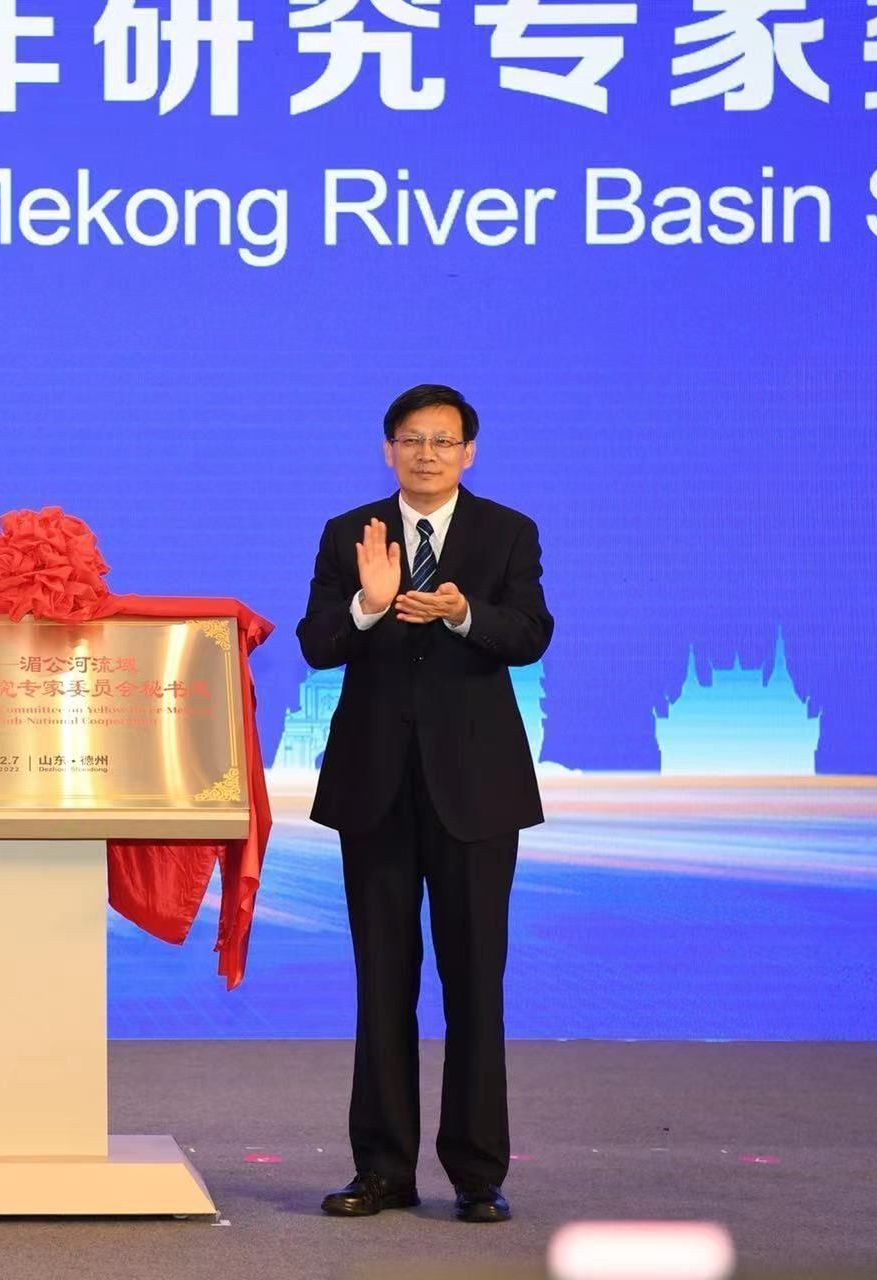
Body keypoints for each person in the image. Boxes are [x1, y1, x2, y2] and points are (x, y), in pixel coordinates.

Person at [296, 384, 553, 1224]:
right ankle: (382, 1170)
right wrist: (369, 606)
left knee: (475, 982)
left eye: (443, 441)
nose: (427, 454)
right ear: (388, 450)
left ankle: (477, 1173)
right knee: (383, 983)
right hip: (376, 788)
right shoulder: (351, 532)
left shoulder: (506, 532)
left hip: (477, 792)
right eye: (412, 439)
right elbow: (317, 643)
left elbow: (530, 633)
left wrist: (465, 613)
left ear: (468, 453)